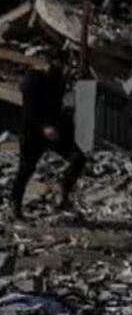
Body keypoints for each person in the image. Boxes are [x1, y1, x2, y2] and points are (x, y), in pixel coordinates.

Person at [10, 55, 86, 220]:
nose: (69, 70)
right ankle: (15, 204)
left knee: (78, 157)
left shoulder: (59, 81)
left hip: (55, 131)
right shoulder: (33, 80)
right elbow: (30, 109)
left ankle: (64, 192)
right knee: (26, 168)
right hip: (33, 132)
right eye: (67, 66)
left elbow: (58, 107)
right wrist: (44, 125)